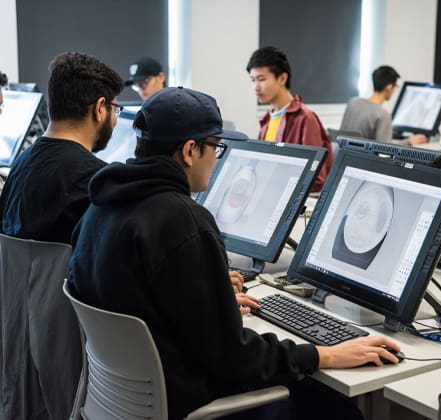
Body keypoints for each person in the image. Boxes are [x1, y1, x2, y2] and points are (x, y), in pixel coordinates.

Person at [68, 86, 401, 420]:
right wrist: (321, 354)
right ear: (189, 151)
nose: (217, 158)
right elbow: (235, 358)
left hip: (125, 404)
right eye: (216, 147)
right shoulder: (183, 221)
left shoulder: (100, 208)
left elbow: (139, 297)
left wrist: (208, 296)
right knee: (339, 409)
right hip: (190, 405)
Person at [0, 51, 124, 244]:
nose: (116, 119)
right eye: (115, 110)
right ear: (100, 109)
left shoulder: (19, 166)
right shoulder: (98, 180)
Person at [247, 46, 332, 192]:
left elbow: (316, 179)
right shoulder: (268, 119)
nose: (256, 87)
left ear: (282, 78)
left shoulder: (305, 118)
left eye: (261, 79)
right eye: (253, 80)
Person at [340, 65, 428, 145]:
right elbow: (384, 148)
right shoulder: (382, 114)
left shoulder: (353, 102)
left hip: (346, 156)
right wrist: (409, 141)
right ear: (389, 87)